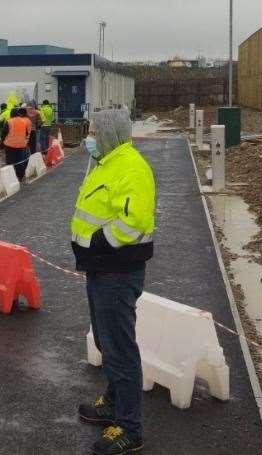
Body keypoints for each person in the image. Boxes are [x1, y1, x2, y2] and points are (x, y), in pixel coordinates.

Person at [72, 109, 155, 455]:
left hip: (117, 271)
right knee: (108, 342)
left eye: (93, 131)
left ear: (107, 133)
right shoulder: (107, 162)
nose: (89, 136)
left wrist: (96, 244)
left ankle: (130, 426)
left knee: (120, 349)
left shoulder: (131, 167)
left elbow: (132, 223)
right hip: (100, 268)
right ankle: (113, 402)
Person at [1, 108, 31, 180]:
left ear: (11, 114)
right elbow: (26, 133)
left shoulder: (9, 121)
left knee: (9, 161)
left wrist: (3, 141)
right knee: (19, 161)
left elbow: (4, 133)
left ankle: (10, 177)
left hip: (9, 145)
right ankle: (20, 176)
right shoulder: (23, 121)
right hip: (21, 145)